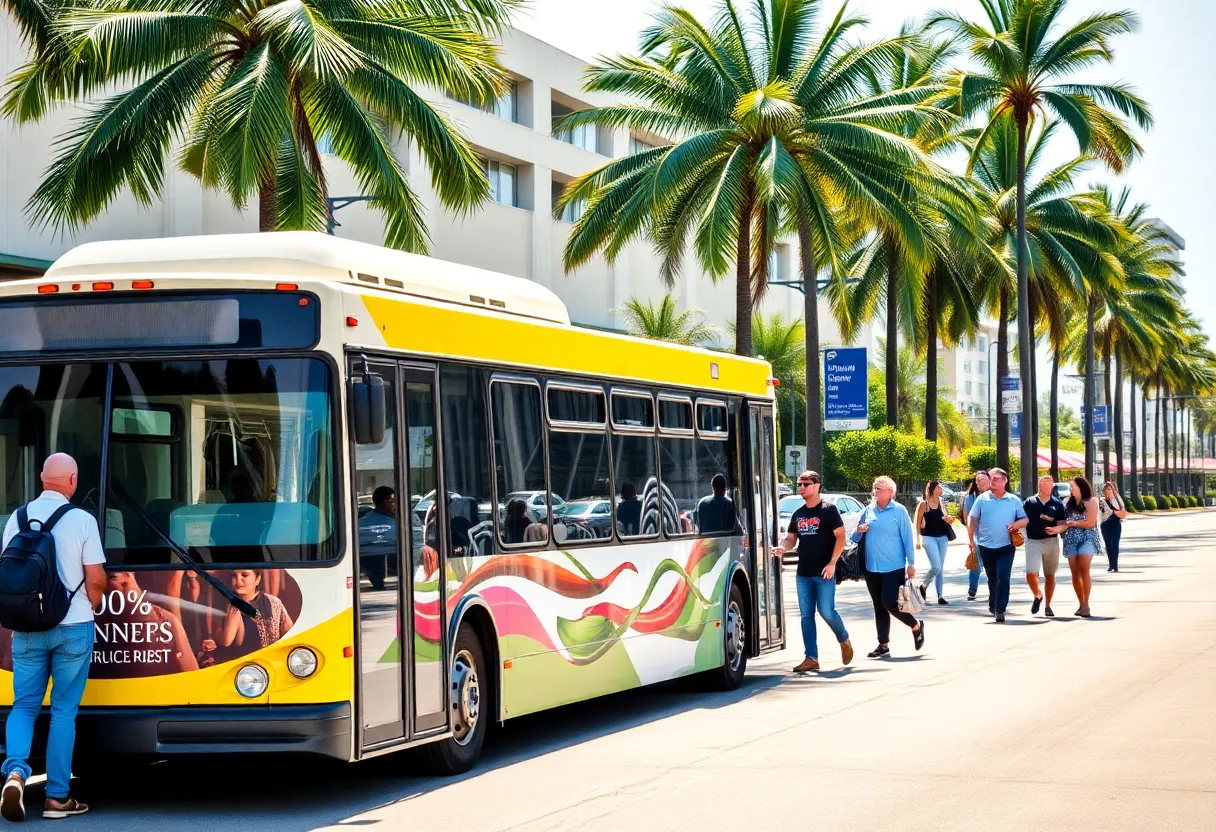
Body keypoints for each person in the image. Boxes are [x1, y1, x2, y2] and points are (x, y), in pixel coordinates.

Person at [1, 454, 106, 821]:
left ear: (43, 478)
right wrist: (91, 605)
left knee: (24, 706)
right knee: (63, 711)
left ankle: (15, 773)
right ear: (73, 481)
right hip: (73, 625)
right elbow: (95, 578)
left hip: (26, 626)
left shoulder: (14, 519)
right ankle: (57, 798)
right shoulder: (82, 520)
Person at [771, 471, 853, 673]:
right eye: (799, 484)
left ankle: (843, 639)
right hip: (804, 573)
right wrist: (784, 547)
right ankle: (811, 657)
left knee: (826, 611)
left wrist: (832, 563)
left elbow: (841, 537)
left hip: (824, 571)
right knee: (806, 615)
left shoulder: (828, 510)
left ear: (817, 486)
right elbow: (792, 539)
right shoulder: (798, 513)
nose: (801, 487)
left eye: (806, 484)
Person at [853, 476, 924, 658]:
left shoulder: (899, 511)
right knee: (878, 605)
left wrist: (911, 564)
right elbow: (854, 537)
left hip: (893, 566)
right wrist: (859, 531)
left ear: (890, 492)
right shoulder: (868, 510)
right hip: (871, 567)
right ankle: (883, 645)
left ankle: (915, 625)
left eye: (880, 488)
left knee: (890, 603)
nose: (875, 491)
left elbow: (908, 538)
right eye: (874, 488)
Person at [967, 467, 1029, 623]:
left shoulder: (1013, 500)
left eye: (996, 479)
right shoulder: (982, 499)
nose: (992, 481)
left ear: (1005, 481)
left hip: (1006, 545)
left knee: (1003, 575)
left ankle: (1000, 608)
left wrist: (1015, 524)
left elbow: (1025, 519)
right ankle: (993, 604)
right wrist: (970, 539)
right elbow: (972, 518)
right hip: (986, 545)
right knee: (992, 577)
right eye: (991, 478)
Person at [1048, 477, 1101, 617]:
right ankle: (1081, 603)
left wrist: (1073, 523)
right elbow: (1064, 522)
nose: (1070, 489)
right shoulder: (1067, 502)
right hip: (1071, 539)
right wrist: (1055, 528)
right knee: (1075, 573)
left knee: (1084, 570)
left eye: (1072, 486)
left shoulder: (1091, 501)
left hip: (1087, 537)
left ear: (1080, 487)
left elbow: (1090, 522)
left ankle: (1086, 605)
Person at [218, 569, 294, 658]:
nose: (238, 580)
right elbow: (226, 641)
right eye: (234, 576)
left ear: (257, 579)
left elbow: (291, 635)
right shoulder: (227, 604)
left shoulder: (273, 602)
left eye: (245, 575)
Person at [1022, 475, 1067, 617]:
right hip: (1033, 541)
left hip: (1051, 542)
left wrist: (1057, 530)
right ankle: (1037, 594)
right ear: (1039, 486)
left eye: (1050, 485)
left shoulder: (1057, 504)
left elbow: (1063, 524)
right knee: (1030, 573)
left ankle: (1048, 605)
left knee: (1050, 575)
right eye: (1045, 485)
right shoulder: (1030, 502)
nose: (1048, 488)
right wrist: (1023, 534)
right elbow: (1022, 519)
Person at [914, 481, 956, 605]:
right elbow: (916, 523)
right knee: (936, 566)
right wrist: (917, 540)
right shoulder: (923, 504)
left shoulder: (941, 502)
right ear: (932, 489)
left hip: (943, 537)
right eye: (938, 487)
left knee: (940, 568)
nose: (941, 489)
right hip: (928, 538)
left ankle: (940, 596)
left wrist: (949, 519)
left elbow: (947, 518)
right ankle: (923, 586)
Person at [357, 486, 396, 590]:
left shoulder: (400, 521)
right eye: (391, 501)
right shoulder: (362, 523)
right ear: (380, 502)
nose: (394, 504)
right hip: (372, 560)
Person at [962, 471, 991, 601]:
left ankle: (994, 588)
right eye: (977, 480)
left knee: (990, 564)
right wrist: (970, 538)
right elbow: (967, 517)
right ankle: (972, 588)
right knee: (976, 563)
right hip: (977, 535)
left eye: (981, 479)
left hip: (992, 535)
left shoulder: (994, 495)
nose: (978, 482)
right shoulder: (970, 497)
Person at [1100, 482, 1128, 572]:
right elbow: (1102, 511)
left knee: (1114, 544)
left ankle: (1115, 565)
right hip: (1105, 525)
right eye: (1106, 489)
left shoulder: (1117, 499)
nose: (1108, 491)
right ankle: (1111, 564)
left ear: (1113, 490)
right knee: (1108, 545)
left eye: (1110, 489)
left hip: (1115, 523)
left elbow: (1123, 509)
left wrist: (1115, 496)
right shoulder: (1102, 500)